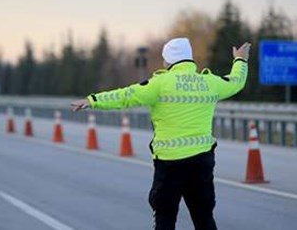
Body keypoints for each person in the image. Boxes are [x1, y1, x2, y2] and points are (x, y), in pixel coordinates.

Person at [71, 37, 250, 230]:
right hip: (201, 162)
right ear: (189, 59)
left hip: (170, 164)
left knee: (165, 218)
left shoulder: (159, 83)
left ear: (169, 61)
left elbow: (125, 96)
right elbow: (235, 82)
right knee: (203, 217)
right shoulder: (209, 82)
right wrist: (240, 60)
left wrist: (93, 100)